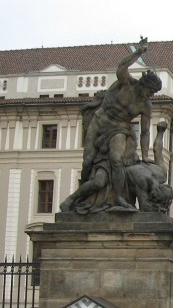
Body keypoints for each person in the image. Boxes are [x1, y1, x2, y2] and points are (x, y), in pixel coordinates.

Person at [61, 38, 162, 214]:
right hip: (100, 121)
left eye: (153, 93)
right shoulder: (127, 84)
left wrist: (145, 156)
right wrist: (138, 52)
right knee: (87, 161)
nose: (151, 95)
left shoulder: (146, 105)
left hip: (120, 128)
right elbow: (121, 67)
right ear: (144, 85)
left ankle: (119, 198)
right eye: (151, 91)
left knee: (116, 159)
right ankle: (79, 199)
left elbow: (145, 132)